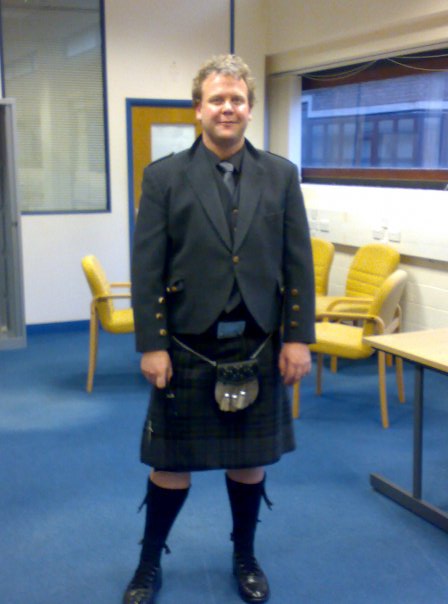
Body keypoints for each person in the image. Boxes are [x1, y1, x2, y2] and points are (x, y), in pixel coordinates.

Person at [125, 54, 315, 604]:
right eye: (217, 99)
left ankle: (245, 556)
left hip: (257, 340)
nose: (227, 108)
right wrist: (152, 345)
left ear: (250, 109)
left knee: (248, 462)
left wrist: (297, 336)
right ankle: (148, 563)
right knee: (170, 465)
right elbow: (147, 267)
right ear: (198, 109)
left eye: (237, 99)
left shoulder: (280, 174)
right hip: (188, 343)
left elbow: (297, 261)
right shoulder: (164, 177)